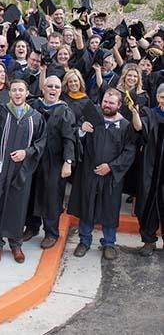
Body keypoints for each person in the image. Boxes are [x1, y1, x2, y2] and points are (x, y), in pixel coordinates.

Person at [0, 63, 47, 264]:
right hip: (1, 167)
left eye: (21, 90)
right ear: (9, 92)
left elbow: (41, 143)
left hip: (22, 170)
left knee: (18, 206)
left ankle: (15, 244)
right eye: (14, 90)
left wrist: (27, 152)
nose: (17, 93)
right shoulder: (1, 112)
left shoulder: (36, 118)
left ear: (27, 92)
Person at [68, 89, 136, 260]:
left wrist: (112, 167)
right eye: (105, 101)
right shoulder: (92, 118)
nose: (107, 105)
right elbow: (75, 138)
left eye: (111, 103)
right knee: (87, 206)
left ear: (119, 105)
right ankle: (84, 242)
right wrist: (81, 130)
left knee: (110, 208)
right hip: (89, 172)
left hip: (111, 176)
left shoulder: (126, 125)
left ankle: (109, 243)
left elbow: (129, 152)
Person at [23, 76, 76, 248]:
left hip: (54, 160)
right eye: (50, 86)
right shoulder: (34, 106)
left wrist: (68, 161)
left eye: (57, 87)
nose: (53, 89)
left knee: (52, 196)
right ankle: (31, 227)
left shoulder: (65, 111)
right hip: (34, 158)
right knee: (31, 193)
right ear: (43, 88)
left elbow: (69, 138)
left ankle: (51, 232)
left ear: (61, 90)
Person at [133, 84, 164, 256]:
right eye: (162, 97)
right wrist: (135, 115)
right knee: (147, 203)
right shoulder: (150, 113)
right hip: (150, 167)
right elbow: (139, 128)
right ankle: (148, 241)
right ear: (158, 97)